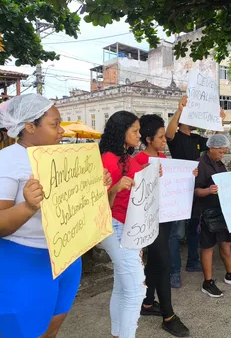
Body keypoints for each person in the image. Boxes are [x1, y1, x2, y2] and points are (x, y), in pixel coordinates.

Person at [0, 93, 111, 338]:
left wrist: (97, 186)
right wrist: (27, 207)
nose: (62, 130)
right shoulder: (0, 163)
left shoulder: (66, 159)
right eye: (54, 124)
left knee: (51, 330)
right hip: (21, 262)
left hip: (66, 259)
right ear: (29, 127)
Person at [132, 114, 190, 337]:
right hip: (148, 221)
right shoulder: (138, 162)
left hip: (166, 218)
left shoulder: (163, 158)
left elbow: (173, 184)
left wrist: (188, 176)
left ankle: (147, 303)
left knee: (156, 261)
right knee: (164, 263)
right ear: (147, 139)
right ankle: (168, 316)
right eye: (160, 136)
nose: (165, 139)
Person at [165, 95, 225, 288]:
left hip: (196, 190)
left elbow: (215, 141)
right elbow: (168, 133)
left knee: (194, 228)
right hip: (178, 191)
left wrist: (219, 119)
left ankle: (192, 262)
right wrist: (180, 109)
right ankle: (174, 271)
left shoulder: (198, 139)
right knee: (176, 233)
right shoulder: (176, 137)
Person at [100, 111, 147, 338]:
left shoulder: (126, 158)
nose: (139, 135)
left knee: (123, 286)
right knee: (136, 290)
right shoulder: (107, 159)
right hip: (115, 225)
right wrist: (114, 188)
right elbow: (97, 202)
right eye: (135, 131)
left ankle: (118, 334)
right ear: (122, 132)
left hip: (128, 225)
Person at [195, 134, 231, 298]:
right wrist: (208, 190)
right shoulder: (201, 165)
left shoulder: (220, 163)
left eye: (224, 152)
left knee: (226, 242)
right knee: (208, 246)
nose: (222, 155)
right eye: (220, 152)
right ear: (211, 148)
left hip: (223, 210)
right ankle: (208, 281)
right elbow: (196, 190)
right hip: (207, 213)